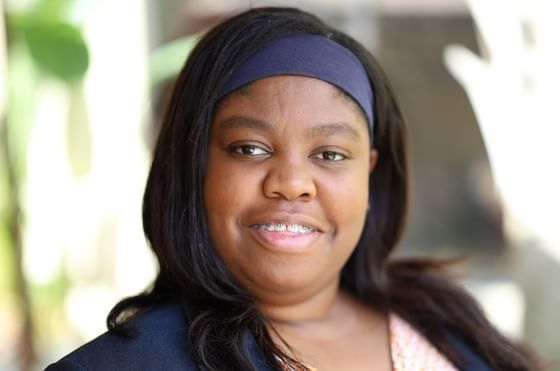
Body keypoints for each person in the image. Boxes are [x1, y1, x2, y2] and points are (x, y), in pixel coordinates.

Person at [46, 7, 540, 371]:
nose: (292, 183)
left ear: (368, 173)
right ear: (193, 166)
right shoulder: (128, 365)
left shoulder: (446, 322)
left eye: (329, 155)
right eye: (250, 149)